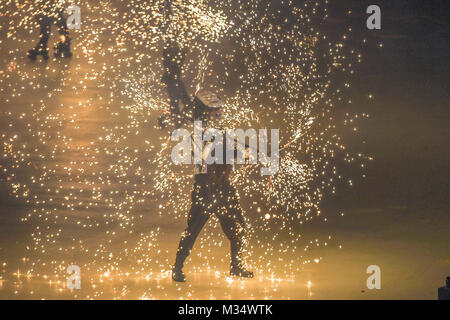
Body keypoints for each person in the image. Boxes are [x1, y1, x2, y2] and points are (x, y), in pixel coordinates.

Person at [171, 91, 254, 282]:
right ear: (204, 112)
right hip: (205, 189)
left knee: (238, 226)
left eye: (219, 109)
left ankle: (236, 265)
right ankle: (177, 268)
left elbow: (234, 148)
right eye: (214, 110)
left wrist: (252, 152)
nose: (218, 113)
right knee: (193, 230)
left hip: (223, 187)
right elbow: (215, 154)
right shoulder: (199, 134)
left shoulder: (221, 131)